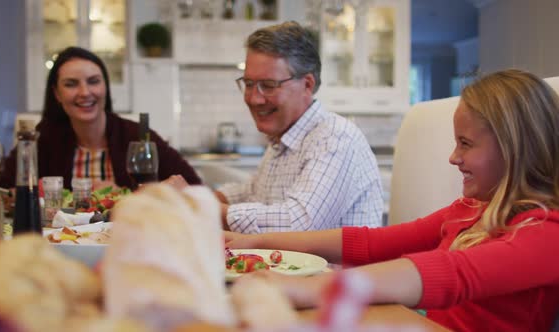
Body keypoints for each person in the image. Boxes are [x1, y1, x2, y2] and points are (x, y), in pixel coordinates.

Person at [225, 69, 559, 331]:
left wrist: (306, 289)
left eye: (466, 144)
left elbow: (450, 274)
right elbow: (372, 242)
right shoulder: (470, 210)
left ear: (513, 149)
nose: (453, 157)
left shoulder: (547, 234)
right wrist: (253, 240)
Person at [170, 21, 384, 233]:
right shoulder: (281, 139)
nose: (254, 99)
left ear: (307, 85)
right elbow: (251, 192)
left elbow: (297, 224)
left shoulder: (334, 137)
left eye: (268, 86)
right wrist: (188, 197)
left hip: (337, 268)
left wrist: (199, 206)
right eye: (249, 84)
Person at [0, 46, 201, 190]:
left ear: (105, 88)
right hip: (63, 241)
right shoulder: (45, 136)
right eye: (71, 84)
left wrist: (127, 194)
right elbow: (4, 189)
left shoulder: (137, 136)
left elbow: (194, 188)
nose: (85, 92)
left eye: (93, 81)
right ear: (57, 94)